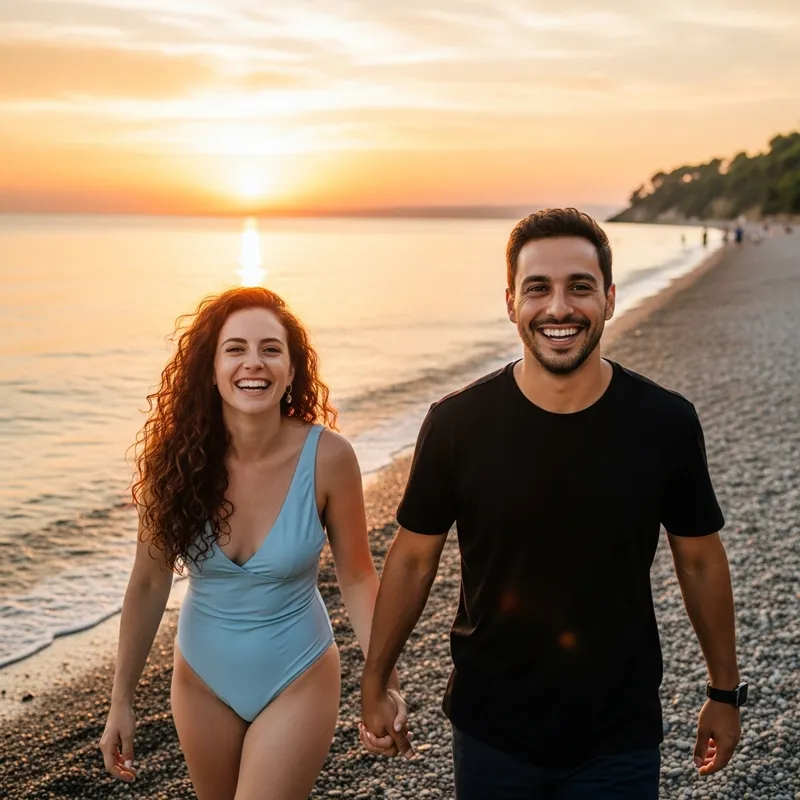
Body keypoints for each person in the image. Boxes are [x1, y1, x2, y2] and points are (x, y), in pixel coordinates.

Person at [359, 209, 744, 799]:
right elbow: (412, 560)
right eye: (537, 288)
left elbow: (699, 561)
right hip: (492, 729)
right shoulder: (456, 424)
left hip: (620, 732)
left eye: (580, 287)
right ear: (511, 302)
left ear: (610, 299)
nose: (559, 308)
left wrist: (724, 692)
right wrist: (375, 680)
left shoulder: (664, 422)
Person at [100, 287, 406, 799]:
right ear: (211, 367)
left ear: (291, 369)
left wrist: (383, 682)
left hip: (298, 673)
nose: (253, 363)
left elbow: (356, 577)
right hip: (200, 680)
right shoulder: (171, 465)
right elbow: (150, 581)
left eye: (271, 349)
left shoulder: (328, 457)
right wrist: (121, 700)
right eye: (235, 348)